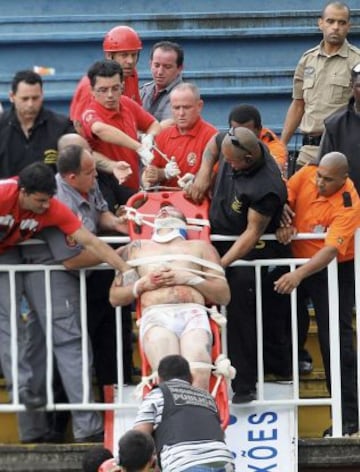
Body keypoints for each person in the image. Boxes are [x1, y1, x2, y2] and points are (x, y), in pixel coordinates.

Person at [0, 162, 131, 438]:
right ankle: (22, 388)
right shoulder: (3, 194)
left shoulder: (52, 208)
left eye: (49, 200)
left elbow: (91, 242)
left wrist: (123, 267)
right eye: (39, 201)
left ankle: (80, 424)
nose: (45, 207)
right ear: (22, 192)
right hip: (5, 257)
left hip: (12, 249)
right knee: (8, 322)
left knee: (53, 336)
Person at [188, 126, 292, 403]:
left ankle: (244, 384)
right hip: (213, 235)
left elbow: (251, 234)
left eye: (231, 162)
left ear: (247, 159)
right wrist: (202, 174)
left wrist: (219, 265)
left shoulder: (267, 186)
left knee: (240, 300)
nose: (228, 166)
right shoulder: (233, 142)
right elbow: (213, 143)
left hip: (245, 250)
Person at [274, 152, 360, 437]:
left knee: (336, 341)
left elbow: (331, 250)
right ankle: (285, 372)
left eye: (327, 179)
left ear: (343, 179)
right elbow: (284, 193)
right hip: (294, 260)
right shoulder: (308, 173)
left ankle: (347, 419)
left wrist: (299, 275)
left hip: (332, 271)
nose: (319, 182)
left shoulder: (349, 202)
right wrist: (283, 214)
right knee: (276, 316)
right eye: (319, 176)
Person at [109, 204, 230, 390]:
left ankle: (198, 417)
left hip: (193, 313)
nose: (164, 210)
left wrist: (190, 279)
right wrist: (142, 285)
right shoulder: (136, 248)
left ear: (184, 221)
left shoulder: (201, 247)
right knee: (169, 373)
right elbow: (115, 297)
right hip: (156, 315)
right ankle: (173, 417)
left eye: (172, 209)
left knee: (198, 368)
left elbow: (224, 295)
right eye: (160, 210)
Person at [281, 1, 360, 169]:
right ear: (320, 23)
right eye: (330, 21)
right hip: (308, 153)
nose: (335, 27)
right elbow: (298, 104)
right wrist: (282, 145)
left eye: (342, 22)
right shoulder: (307, 59)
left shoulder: (357, 62)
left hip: (341, 154)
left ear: (349, 26)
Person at [80, 60, 160, 211]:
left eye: (115, 88)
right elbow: (100, 130)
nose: (110, 95)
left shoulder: (127, 103)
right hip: (105, 191)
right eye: (102, 90)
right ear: (92, 90)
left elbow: (153, 124)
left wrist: (149, 137)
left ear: (122, 86)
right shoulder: (90, 112)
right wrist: (138, 146)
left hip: (132, 190)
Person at [133, 354, 234, 472]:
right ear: (191, 377)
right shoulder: (208, 398)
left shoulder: (157, 394)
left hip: (184, 464)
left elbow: (139, 438)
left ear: (159, 379)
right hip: (224, 462)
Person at [0, 69, 74, 178]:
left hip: (49, 193)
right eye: (24, 99)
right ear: (12, 97)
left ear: (42, 95)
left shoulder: (61, 126)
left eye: (35, 98)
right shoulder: (1, 126)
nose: (30, 104)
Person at [141, 82, 217, 188]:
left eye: (186, 107)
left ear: (199, 106)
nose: (181, 113)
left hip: (196, 201)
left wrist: (196, 181)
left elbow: (216, 177)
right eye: (176, 108)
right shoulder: (163, 135)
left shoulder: (211, 137)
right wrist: (160, 174)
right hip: (165, 200)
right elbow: (148, 177)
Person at [70, 25, 142, 128]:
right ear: (109, 55)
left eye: (134, 55)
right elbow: (79, 126)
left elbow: (137, 113)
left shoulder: (131, 74)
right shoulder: (90, 84)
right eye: (124, 55)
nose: (130, 61)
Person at [318, 62, 360, 194]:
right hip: (347, 207)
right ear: (351, 87)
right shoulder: (335, 125)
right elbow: (322, 170)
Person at [226, 103, 287, 174]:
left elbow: (276, 167)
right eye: (237, 131)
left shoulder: (273, 145)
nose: (241, 136)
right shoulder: (227, 140)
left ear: (259, 129)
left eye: (246, 132)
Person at [140, 41, 184, 126]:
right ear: (150, 64)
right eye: (156, 65)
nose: (160, 72)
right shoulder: (144, 90)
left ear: (179, 68)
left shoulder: (183, 95)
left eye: (167, 67)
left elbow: (167, 127)